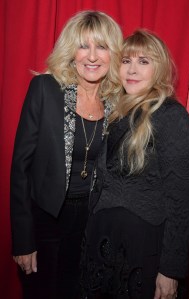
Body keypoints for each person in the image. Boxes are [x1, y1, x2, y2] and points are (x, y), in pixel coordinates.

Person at [10, 10, 123, 299]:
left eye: (102, 46)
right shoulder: (45, 89)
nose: (92, 56)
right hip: (47, 219)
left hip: (93, 221)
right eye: (83, 45)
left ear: (114, 53)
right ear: (71, 51)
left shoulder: (117, 100)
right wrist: (23, 240)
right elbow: (20, 168)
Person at [81, 29, 189, 299]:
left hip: (141, 248)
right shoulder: (119, 109)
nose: (132, 70)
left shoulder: (171, 115)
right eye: (126, 61)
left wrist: (170, 270)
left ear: (159, 69)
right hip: (103, 239)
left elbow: (181, 200)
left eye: (144, 61)